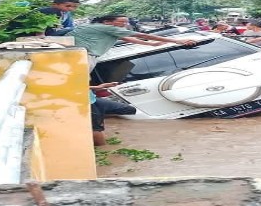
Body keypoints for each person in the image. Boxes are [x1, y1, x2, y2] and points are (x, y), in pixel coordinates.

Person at [68, 15, 198, 146]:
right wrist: (177, 41)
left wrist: (151, 44)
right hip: (86, 59)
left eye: (126, 22)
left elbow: (127, 38)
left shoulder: (98, 29)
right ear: (107, 22)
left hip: (82, 61)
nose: (124, 24)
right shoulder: (105, 28)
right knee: (95, 127)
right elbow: (137, 34)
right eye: (121, 21)